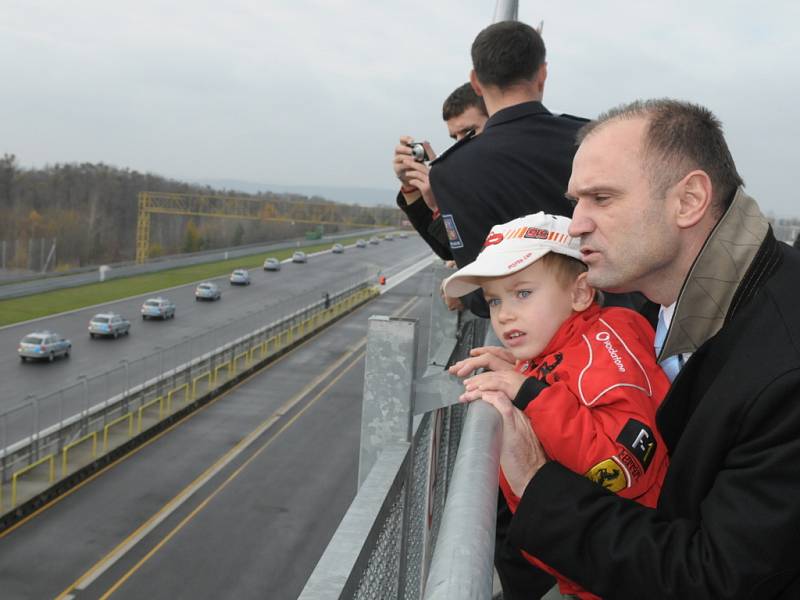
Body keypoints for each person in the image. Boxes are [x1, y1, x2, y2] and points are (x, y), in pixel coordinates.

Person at [467, 99, 800, 598]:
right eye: (576, 200)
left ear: (688, 201)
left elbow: (714, 578)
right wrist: (543, 372)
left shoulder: (785, 362)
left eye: (601, 198)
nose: (576, 222)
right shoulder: (655, 306)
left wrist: (536, 481)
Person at [444, 212, 671, 600]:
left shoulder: (606, 349)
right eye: (494, 300)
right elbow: (568, 376)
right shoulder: (570, 341)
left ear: (580, 293)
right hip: (590, 564)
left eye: (523, 293)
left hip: (620, 575)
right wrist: (523, 370)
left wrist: (531, 393)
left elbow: (625, 466)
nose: (505, 314)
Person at [428, 21, 584, 269]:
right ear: (542, 75)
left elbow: (475, 287)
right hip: (610, 304)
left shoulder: (449, 171)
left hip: (507, 306)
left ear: (475, 82)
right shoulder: (593, 138)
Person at [392, 82, 489, 262]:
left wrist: (440, 207)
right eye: (455, 137)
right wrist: (412, 186)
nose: (460, 145)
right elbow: (447, 251)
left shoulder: (513, 174)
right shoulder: (465, 177)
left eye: (469, 132)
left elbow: (476, 261)